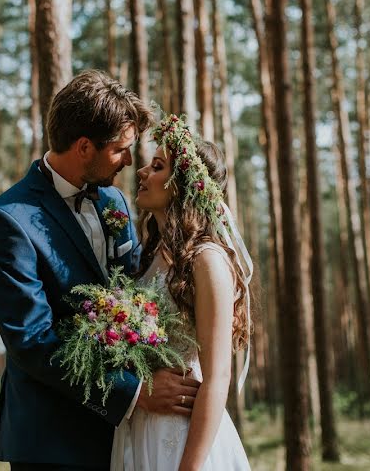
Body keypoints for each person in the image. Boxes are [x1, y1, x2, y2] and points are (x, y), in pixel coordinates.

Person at [0, 72, 201, 470]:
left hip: (124, 438)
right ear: (84, 146)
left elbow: (134, 292)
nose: (130, 161)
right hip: (52, 440)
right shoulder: (9, 221)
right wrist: (136, 393)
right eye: (121, 149)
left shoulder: (113, 200)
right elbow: (32, 341)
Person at [111, 112, 253, 471]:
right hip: (140, 427)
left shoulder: (208, 261)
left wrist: (189, 467)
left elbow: (218, 375)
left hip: (184, 436)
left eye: (157, 166)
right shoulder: (150, 257)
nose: (142, 173)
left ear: (181, 184)